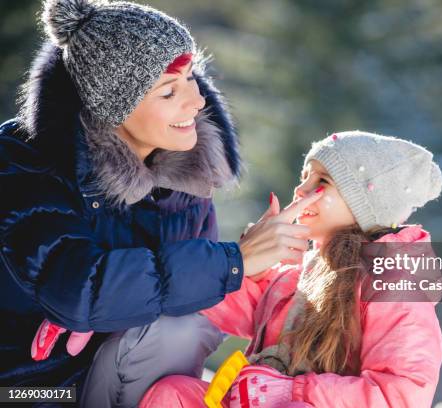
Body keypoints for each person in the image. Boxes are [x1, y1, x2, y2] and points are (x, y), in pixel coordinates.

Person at [0, 0, 321, 406]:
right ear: (110, 107)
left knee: (182, 329)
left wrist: (262, 276)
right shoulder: (23, 162)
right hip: (26, 388)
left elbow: (194, 303)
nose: (197, 101)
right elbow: (78, 290)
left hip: (107, 372)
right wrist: (231, 261)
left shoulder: (182, 174)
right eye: (170, 91)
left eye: (191, 79)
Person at [141, 131, 442, 407]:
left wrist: (292, 392)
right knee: (175, 394)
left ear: (364, 204)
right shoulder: (297, 272)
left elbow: (400, 394)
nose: (301, 190)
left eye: (322, 182)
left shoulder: (394, 280)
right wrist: (245, 262)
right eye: (304, 178)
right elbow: (226, 309)